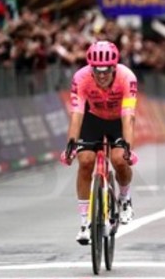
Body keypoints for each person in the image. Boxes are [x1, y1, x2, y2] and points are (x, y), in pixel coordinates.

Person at [59, 40, 137, 245]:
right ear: (90, 68)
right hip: (92, 118)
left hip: (118, 119)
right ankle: (85, 223)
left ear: (114, 67)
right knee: (85, 161)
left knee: (120, 160)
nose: (102, 75)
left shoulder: (127, 77)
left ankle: (125, 198)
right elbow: (77, 114)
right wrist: (70, 146)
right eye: (97, 71)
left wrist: (128, 147)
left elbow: (128, 116)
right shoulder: (81, 78)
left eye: (106, 70)